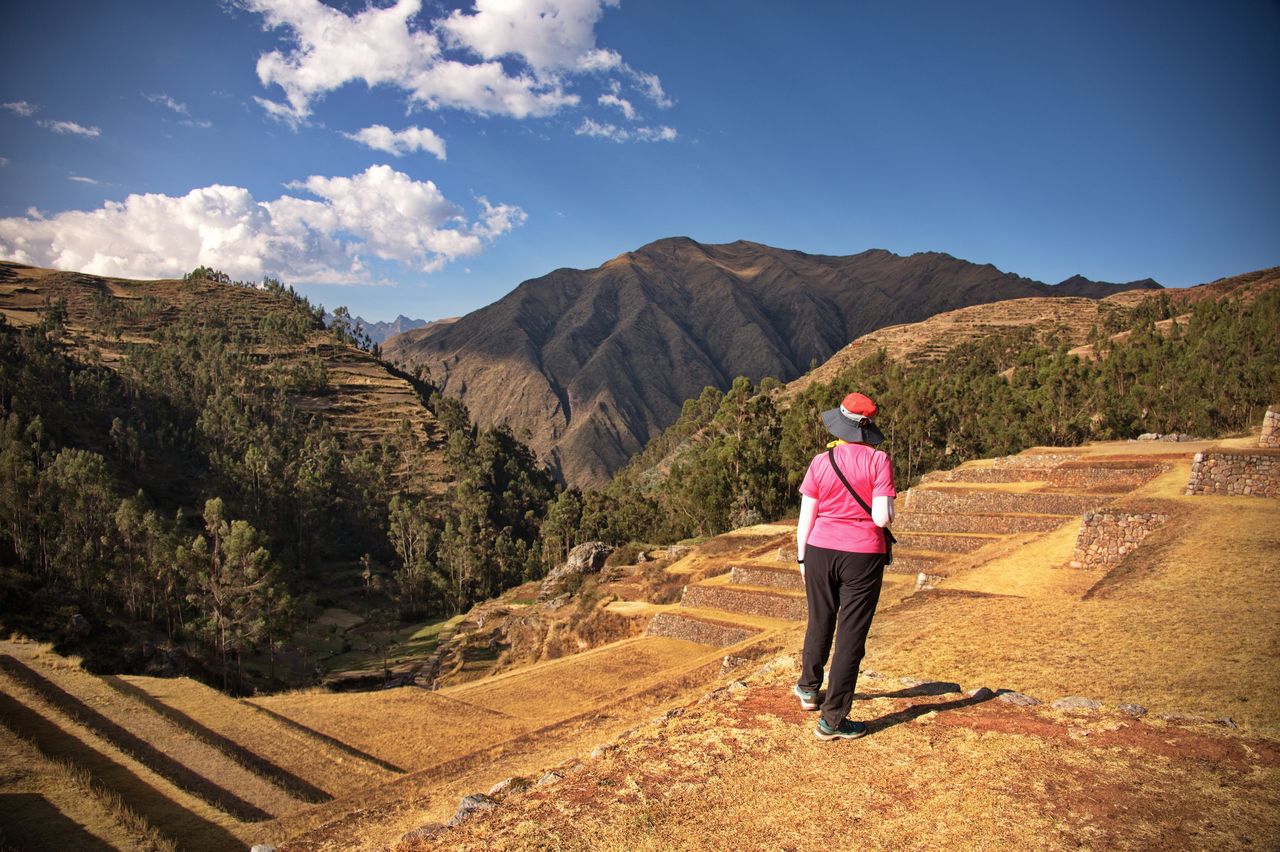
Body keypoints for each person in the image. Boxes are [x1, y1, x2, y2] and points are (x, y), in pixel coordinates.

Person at [794, 391, 896, 740]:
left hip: (819, 549)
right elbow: (881, 518)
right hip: (863, 556)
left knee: (820, 619)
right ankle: (833, 719)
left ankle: (808, 688)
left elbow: (806, 514)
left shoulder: (821, 461)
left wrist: (802, 557)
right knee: (851, 633)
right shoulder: (878, 461)